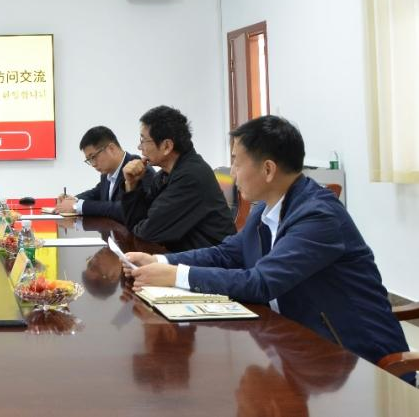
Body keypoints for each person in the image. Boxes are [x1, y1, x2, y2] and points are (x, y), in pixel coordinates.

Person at [126, 115, 411, 381]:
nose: (232, 174)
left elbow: (262, 283)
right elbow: (227, 253)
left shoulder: (318, 216)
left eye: (236, 163)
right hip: (300, 349)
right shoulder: (265, 209)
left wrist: (176, 276)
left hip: (359, 364)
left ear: (268, 169)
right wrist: (159, 261)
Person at [120, 106, 234, 251]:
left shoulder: (191, 176)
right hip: (187, 256)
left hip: (214, 261)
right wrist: (131, 184)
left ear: (167, 146)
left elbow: (148, 232)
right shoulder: (165, 174)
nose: (139, 147)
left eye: (143, 140)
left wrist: (142, 224)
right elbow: (137, 223)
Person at [57, 125, 150, 221]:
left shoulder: (137, 169)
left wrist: (77, 206)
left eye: (93, 157)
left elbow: (122, 208)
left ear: (111, 148)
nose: (93, 164)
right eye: (89, 160)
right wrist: (73, 200)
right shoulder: (107, 173)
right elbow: (96, 193)